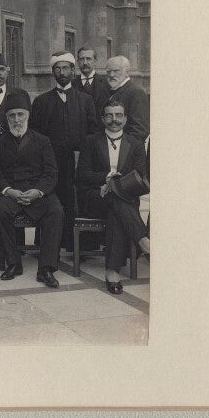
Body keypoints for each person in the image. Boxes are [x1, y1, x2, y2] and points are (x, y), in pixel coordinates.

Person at [0, 92, 64, 289]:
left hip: (37, 193)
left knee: (56, 211)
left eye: (20, 114)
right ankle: (13, 263)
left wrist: (38, 191)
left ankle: (46, 268)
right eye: (12, 115)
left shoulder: (42, 141)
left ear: (28, 116)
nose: (16, 120)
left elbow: (51, 173)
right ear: (6, 118)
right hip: (12, 193)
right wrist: (8, 191)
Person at [76, 99, 150, 294]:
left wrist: (116, 185)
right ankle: (142, 239)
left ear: (125, 119)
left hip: (123, 197)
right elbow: (81, 174)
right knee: (114, 201)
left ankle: (112, 271)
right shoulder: (90, 141)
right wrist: (106, 178)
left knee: (115, 208)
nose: (114, 119)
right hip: (95, 197)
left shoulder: (135, 144)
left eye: (118, 115)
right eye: (109, 115)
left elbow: (139, 175)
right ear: (102, 118)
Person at [30, 51, 98, 252]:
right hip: (51, 164)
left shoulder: (85, 100)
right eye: (58, 68)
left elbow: (93, 132)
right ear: (53, 72)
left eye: (66, 67)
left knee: (77, 202)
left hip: (78, 163)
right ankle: (51, 245)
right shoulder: (42, 101)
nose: (62, 72)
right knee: (52, 203)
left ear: (73, 70)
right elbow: (35, 135)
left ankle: (80, 246)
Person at [105, 56, 150, 142]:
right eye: (108, 71)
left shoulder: (136, 92)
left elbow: (140, 130)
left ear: (126, 71)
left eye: (116, 71)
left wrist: (120, 148)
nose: (111, 75)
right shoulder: (110, 90)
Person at [72, 45, 110, 120]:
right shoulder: (71, 84)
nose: (85, 63)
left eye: (88, 59)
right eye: (82, 59)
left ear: (95, 61)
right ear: (78, 62)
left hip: (100, 130)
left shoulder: (106, 83)